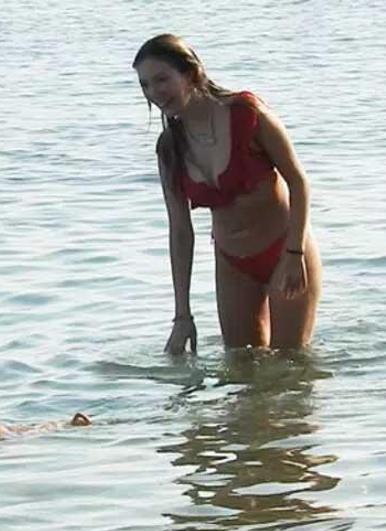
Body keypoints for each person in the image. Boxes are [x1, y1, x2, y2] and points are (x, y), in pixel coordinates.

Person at [132, 34, 321, 354]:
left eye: (162, 79)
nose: (155, 93)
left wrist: (294, 254)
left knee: (289, 369)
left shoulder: (248, 114)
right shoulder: (170, 149)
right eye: (146, 85)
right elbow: (180, 232)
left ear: (191, 73)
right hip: (233, 263)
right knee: (241, 370)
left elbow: (299, 183)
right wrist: (182, 316)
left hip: (284, 251)